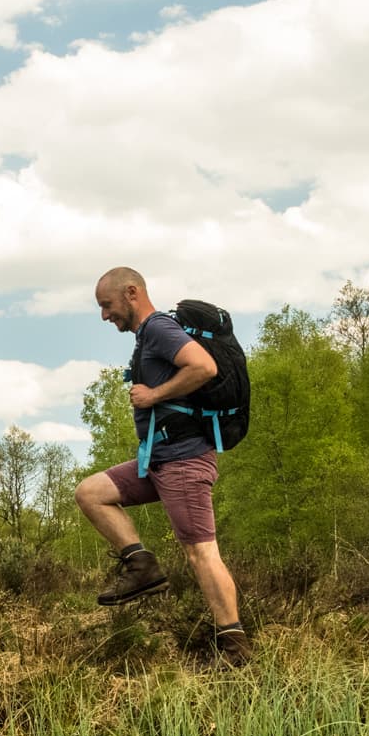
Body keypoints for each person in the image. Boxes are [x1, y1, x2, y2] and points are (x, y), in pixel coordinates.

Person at [73, 267, 251, 667]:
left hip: (184, 461)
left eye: (107, 305)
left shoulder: (158, 328)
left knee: (201, 553)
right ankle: (142, 565)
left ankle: (235, 648)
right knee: (91, 493)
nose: (104, 316)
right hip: (157, 460)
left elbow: (203, 367)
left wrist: (154, 394)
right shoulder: (148, 335)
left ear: (132, 293)